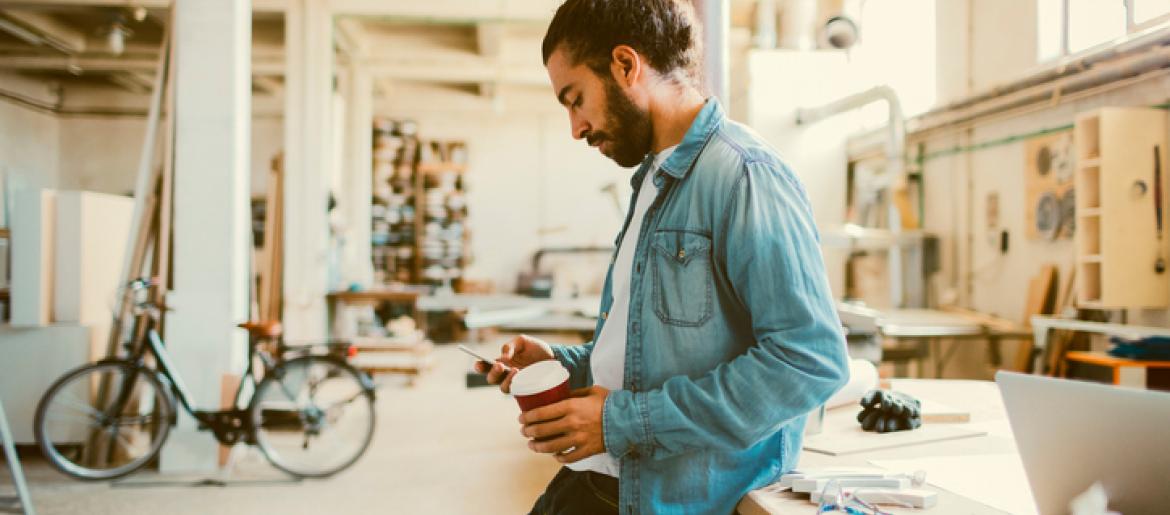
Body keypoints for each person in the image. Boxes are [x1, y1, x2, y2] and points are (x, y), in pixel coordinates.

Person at [474, 0, 849, 513]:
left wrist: (622, 423)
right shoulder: (653, 181)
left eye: (576, 98)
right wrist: (565, 366)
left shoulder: (743, 174)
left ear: (626, 65)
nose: (575, 128)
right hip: (602, 488)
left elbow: (808, 360)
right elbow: (649, 356)